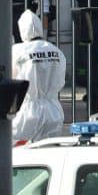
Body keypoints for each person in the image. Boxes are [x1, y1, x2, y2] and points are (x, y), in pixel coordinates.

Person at [11, 10, 66, 142]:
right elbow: (61, 80)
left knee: (22, 156)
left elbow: (9, 79)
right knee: (48, 155)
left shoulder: (17, 51)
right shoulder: (56, 51)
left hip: (27, 111)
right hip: (53, 111)